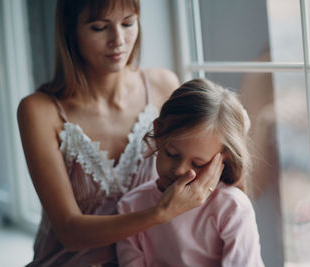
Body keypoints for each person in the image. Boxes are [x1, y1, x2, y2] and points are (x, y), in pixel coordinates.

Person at [17, 0, 221, 266]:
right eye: (100, 27)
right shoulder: (39, 110)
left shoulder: (163, 86)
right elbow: (69, 232)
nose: (119, 40)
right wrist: (160, 213)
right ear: (70, 30)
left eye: (128, 23)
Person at [116, 78, 265, 267]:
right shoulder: (131, 207)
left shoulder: (231, 208)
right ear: (158, 132)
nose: (179, 170)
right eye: (172, 154)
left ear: (222, 159)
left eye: (197, 163)